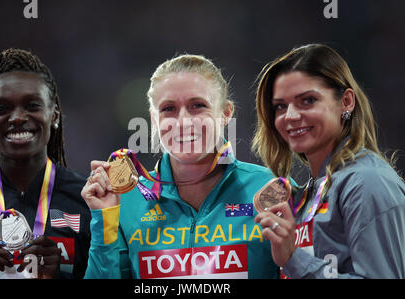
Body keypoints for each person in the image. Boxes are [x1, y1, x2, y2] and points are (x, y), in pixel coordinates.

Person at [82, 54, 280, 278]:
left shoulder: (271, 190)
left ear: (225, 113)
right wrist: (104, 220)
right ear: (154, 119)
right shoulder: (125, 202)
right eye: (168, 109)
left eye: (197, 106)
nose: (184, 121)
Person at [252, 43, 405, 278]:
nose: (291, 116)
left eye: (307, 100)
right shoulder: (314, 190)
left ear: (346, 102)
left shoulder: (366, 183)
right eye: (280, 106)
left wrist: (293, 258)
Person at [0, 48, 91, 279]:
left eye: (32, 105)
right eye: (1, 109)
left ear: (54, 115)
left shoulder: (89, 199)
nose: (17, 117)